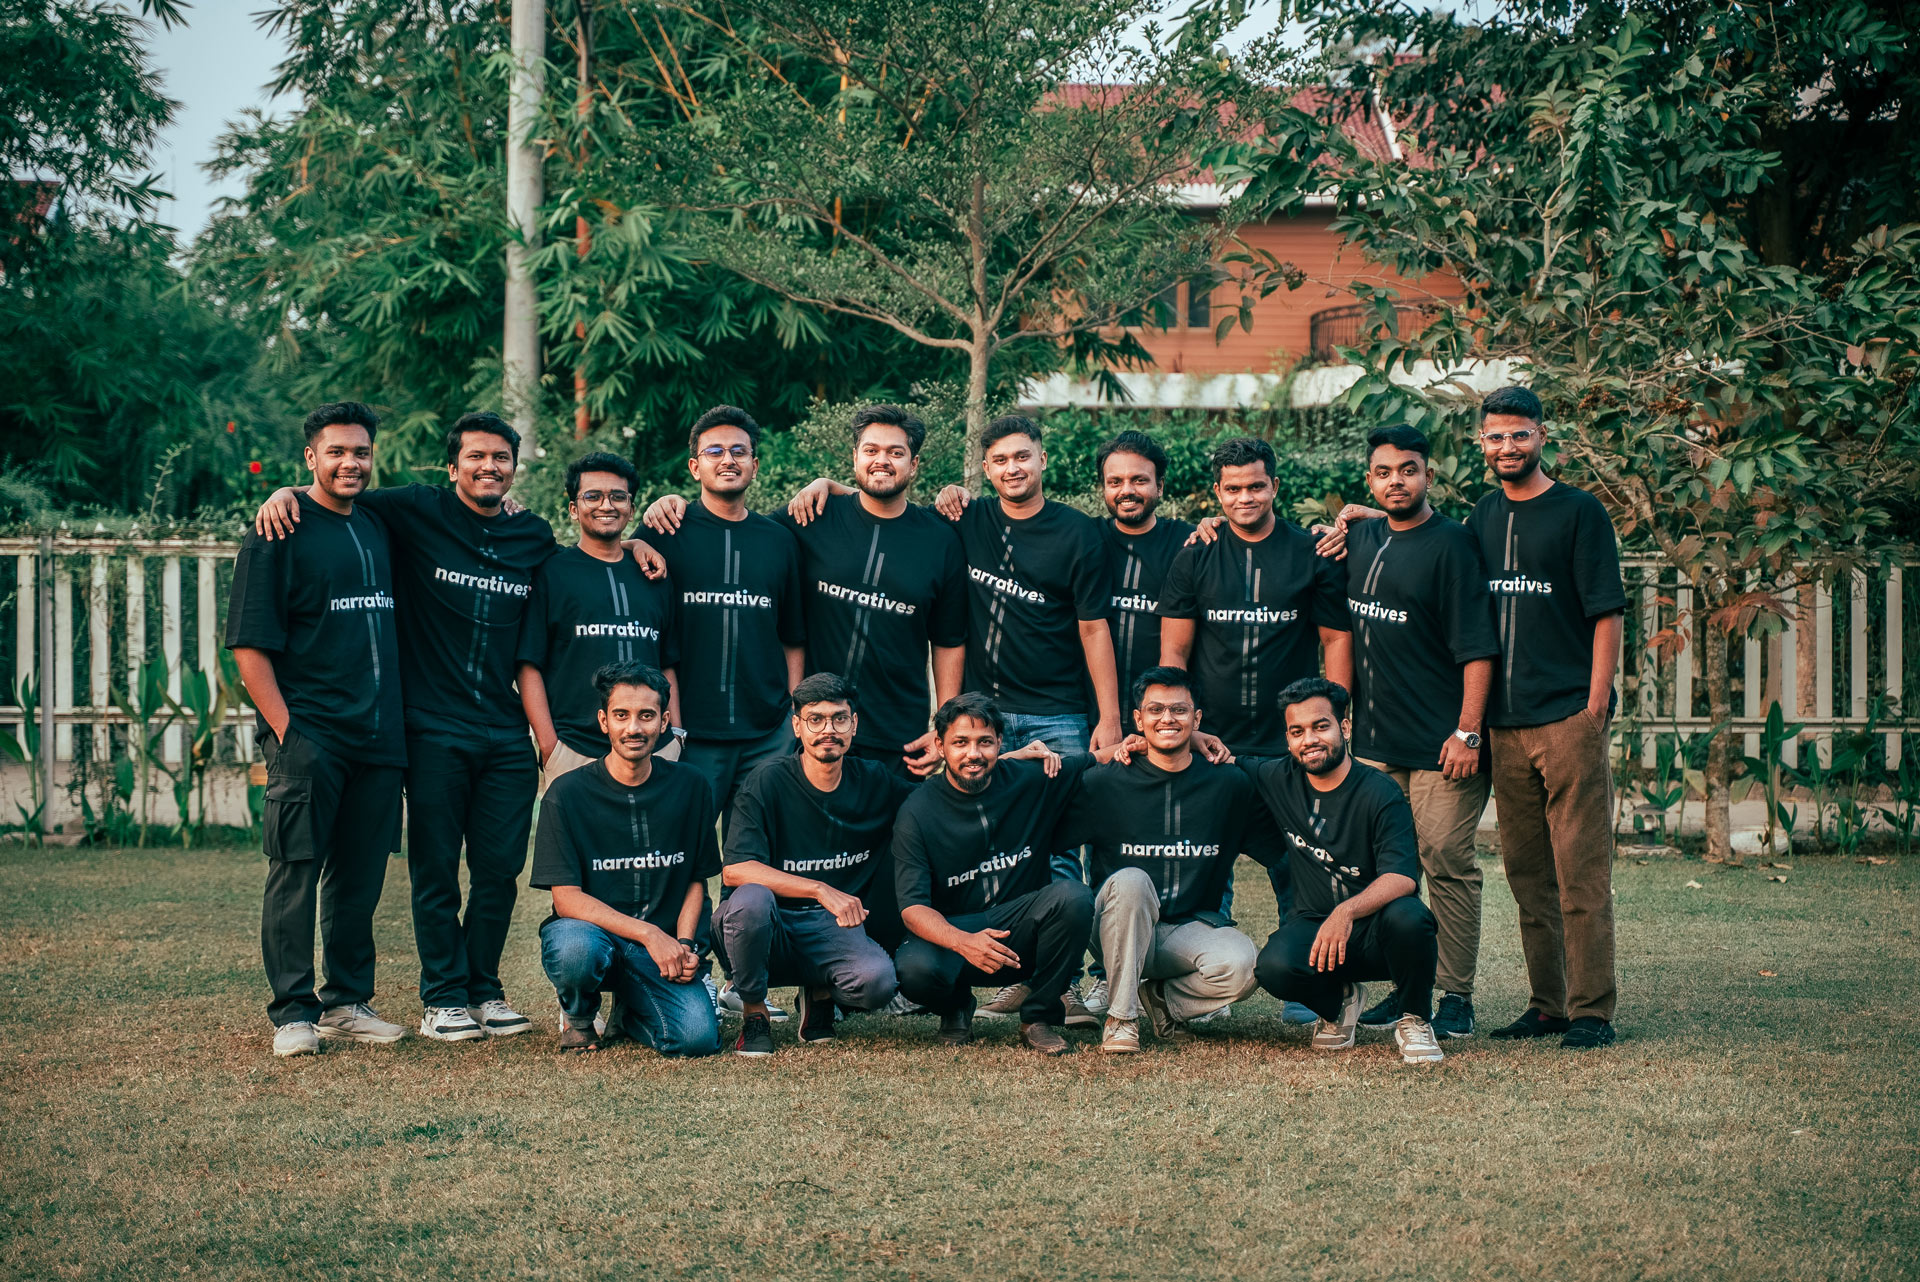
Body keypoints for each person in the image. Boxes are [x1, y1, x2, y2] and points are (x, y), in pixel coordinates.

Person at [252, 410, 668, 1043]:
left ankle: (483, 991)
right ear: (452, 467)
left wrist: (634, 544)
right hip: (429, 727)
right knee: (437, 872)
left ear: (514, 468)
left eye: (500, 458)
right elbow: (335, 492)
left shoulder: (531, 535)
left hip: (502, 730)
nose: (488, 467)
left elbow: (586, 555)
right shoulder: (414, 511)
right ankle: (442, 998)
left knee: (499, 871)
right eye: (475, 457)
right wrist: (285, 490)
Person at [226, 401, 408, 1057]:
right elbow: (249, 646)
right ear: (311, 457)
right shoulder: (278, 530)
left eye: (360, 452)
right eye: (336, 452)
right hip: (311, 736)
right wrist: (288, 733)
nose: (350, 463)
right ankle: (293, 1014)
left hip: (379, 739)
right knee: (295, 873)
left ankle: (346, 1003)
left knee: (359, 879)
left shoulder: (378, 523)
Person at [668, 404, 968, 779]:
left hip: (898, 736)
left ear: (914, 463)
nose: (882, 461)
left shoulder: (940, 541)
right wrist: (675, 508)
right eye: (871, 450)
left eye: (896, 452)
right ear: (855, 457)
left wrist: (946, 727)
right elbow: (735, 525)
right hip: (813, 729)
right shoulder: (813, 517)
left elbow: (949, 640)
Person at [1319, 427, 1501, 1040]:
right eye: (1384, 472)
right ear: (1369, 479)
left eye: (1408, 470)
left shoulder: (1454, 545)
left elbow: (1478, 648)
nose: (1396, 480)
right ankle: (1408, 983)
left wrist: (1468, 732)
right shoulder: (1361, 537)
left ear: (1429, 475)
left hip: (1441, 746)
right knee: (1385, 870)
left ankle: (1455, 995)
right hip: (1374, 745)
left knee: (1446, 861)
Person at [1466, 386, 1627, 1050]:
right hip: (1504, 724)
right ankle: (1548, 1005)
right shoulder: (1481, 515)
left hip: (1566, 717)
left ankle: (1592, 1011)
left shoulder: (1579, 511)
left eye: (1519, 434)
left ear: (1541, 436)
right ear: (1482, 443)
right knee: (1528, 874)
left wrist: (1595, 705)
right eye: (1496, 436)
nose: (1508, 446)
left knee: (1580, 872)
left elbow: (1606, 610)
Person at [891, 694, 1112, 1055]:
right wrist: (964, 942)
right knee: (913, 969)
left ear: (1000, 743)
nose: (973, 754)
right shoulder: (917, 811)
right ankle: (956, 1007)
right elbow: (913, 909)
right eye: (960, 743)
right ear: (940, 746)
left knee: (1073, 896)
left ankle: (1037, 1018)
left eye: (985, 742)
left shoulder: (1031, 778)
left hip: (1020, 933)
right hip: (956, 938)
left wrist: (1185, 739)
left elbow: (1103, 757)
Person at [1054, 667, 1259, 1053]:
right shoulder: (1105, 780)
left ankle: (1163, 1001)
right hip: (1116, 926)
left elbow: (1277, 845)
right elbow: (1046, 822)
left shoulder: (1228, 785)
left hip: (1186, 931)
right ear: (1138, 719)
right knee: (1132, 880)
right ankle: (1121, 1019)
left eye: (1179, 710)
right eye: (1156, 710)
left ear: (1197, 719)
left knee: (1244, 964)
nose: (1168, 718)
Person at [1243, 678, 1446, 1065]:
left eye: (1321, 726)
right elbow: (1219, 757)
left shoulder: (1380, 791)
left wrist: (1346, 911)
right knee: (1273, 967)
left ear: (1345, 727)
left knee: (1411, 917)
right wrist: (1192, 737)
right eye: (1297, 731)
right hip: (1314, 926)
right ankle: (1340, 1003)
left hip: (1378, 932)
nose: (1310, 740)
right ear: (1288, 740)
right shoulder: (1276, 777)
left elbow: (1403, 877)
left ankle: (1415, 1018)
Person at [712, 674, 915, 1056]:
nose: (828, 730)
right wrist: (820, 889)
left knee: (877, 982)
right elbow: (736, 870)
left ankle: (819, 994)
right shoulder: (766, 781)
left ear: (854, 724)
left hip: (831, 927)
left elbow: (936, 802)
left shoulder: (873, 780)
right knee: (752, 900)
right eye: (816, 719)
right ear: (797, 726)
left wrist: (1002, 761)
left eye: (839, 719)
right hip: (766, 923)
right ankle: (754, 1012)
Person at [530, 661, 722, 1057]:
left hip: (662, 947)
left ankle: (630, 1012)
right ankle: (579, 1016)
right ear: (604, 721)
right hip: (595, 937)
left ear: (664, 721)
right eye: (621, 715)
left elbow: (695, 880)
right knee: (574, 948)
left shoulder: (691, 786)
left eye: (646, 715)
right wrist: (649, 934)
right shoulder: (566, 794)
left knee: (696, 1039)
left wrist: (684, 945)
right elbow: (566, 899)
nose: (633, 727)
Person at [641, 405, 807, 819]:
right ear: (695, 467)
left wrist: (793, 712)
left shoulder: (780, 540)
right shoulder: (664, 532)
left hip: (767, 735)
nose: (728, 460)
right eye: (714, 451)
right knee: (682, 847)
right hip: (687, 733)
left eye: (739, 451)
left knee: (755, 851)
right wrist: (632, 542)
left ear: (755, 465)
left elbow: (792, 635)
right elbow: (610, 557)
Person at [518, 451, 682, 796]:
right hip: (575, 750)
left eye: (617, 496)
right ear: (573, 508)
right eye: (592, 496)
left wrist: (676, 736)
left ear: (631, 508)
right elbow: (529, 664)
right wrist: (549, 746)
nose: (606, 505)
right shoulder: (552, 572)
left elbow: (667, 661)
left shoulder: (653, 574)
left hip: (653, 751)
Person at [1097, 431, 1196, 700]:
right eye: (1115, 482)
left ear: (1160, 486)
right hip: (1090, 710)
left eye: (1139, 480)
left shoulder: (1189, 542)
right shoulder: (1087, 538)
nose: (1126, 491)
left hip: (1161, 709)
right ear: (1103, 488)